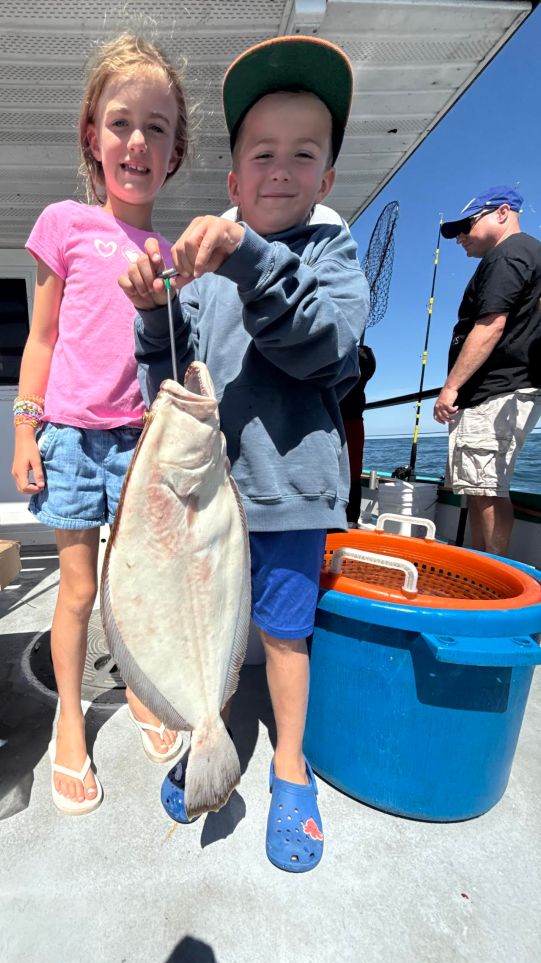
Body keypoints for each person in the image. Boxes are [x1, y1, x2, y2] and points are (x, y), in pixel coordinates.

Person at [119, 36, 369, 871]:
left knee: (285, 637)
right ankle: (208, 733)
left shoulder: (332, 258)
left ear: (326, 180)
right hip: (204, 510)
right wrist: (153, 311)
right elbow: (169, 373)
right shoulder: (213, 270)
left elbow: (316, 344)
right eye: (261, 153)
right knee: (213, 638)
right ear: (233, 179)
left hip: (290, 496)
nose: (280, 169)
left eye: (303, 154)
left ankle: (289, 770)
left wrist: (248, 258)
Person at [11, 32, 189, 815]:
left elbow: (168, 360)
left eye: (157, 128)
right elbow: (42, 336)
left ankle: (141, 693)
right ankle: (69, 724)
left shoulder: (169, 254)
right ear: (92, 134)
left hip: (140, 446)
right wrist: (25, 428)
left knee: (131, 586)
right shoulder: (63, 224)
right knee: (78, 587)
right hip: (71, 441)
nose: (137, 143)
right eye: (121, 123)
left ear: (175, 149)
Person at [433, 186, 541, 556]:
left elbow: (492, 324)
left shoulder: (508, 254)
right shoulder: (521, 254)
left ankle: (491, 585)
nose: (460, 236)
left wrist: (450, 388)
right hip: (497, 391)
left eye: (467, 224)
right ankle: (482, 569)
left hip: (497, 390)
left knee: (487, 490)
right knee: (480, 491)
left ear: (502, 213)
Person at [340, 343, 377, 526]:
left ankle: (348, 519)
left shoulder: (346, 378)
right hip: (354, 425)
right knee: (353, 473)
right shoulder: (359, 379)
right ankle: (350, 520)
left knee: (349, 473)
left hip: (345, 424)